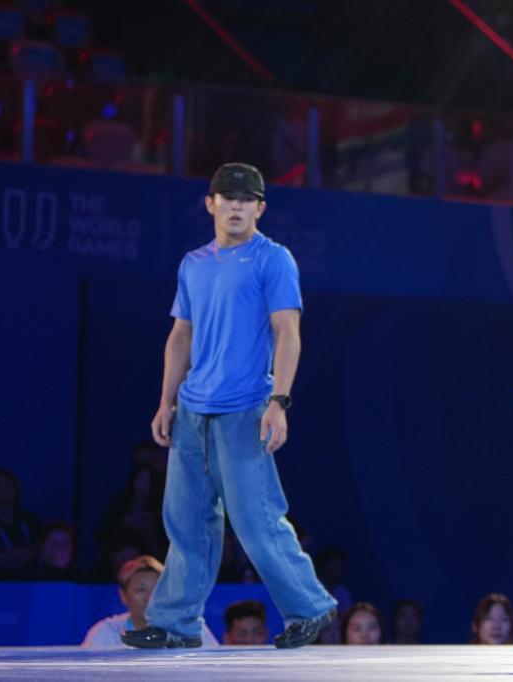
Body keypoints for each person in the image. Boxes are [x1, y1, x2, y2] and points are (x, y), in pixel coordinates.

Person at [123, 163, 338, 649]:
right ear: (211, 203)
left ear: (260, 208)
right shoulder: (193, 263)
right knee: (186, 522)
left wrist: (279, 401)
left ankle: (309, 606)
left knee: (256, 519)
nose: (236, 206)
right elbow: (180, 336)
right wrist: (165, 401)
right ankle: (175, 624)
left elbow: (288, 332)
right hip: (192, 410)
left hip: (245, 407)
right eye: (227, 197)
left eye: (246, 200)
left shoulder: (272, 259)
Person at [82, 555, 218, 648]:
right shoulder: (105, 633)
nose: (150, 598)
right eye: (141, 590)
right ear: (123, 595)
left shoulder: (188, 628)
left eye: (157, 590)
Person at [0, 469, 41, 580]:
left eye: (8, 485)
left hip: (30, 582)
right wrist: (22, 555)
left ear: (16, 490)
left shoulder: (31, 520)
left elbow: (39, 550)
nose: (4, 490)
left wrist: (1, 557)